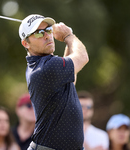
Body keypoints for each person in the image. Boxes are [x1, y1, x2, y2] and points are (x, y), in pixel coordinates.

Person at [19, 14, 89, 150]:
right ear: (26, 43)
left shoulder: (42, 65)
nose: (47, 36)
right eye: (39, 33)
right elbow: (82, 57)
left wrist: (69, 37)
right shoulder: (45, 68)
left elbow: (70, 78)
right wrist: (68, 36)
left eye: (48, 30)